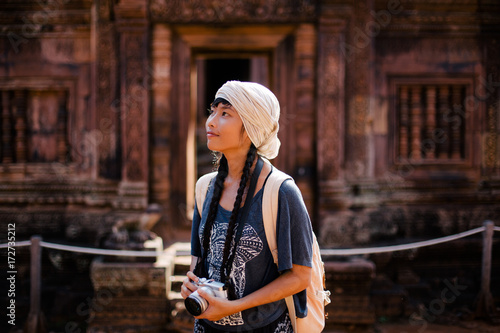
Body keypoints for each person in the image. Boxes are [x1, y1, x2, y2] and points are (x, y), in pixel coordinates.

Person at [181, 81, 313, 332]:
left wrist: (236, 306)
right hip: (208, 326)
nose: (210, 121)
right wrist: (190, 285)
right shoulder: (204, 188)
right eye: (212, 111)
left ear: (252, 126)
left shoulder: (281, 192)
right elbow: (198, 263)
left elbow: (300, 276)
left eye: (225, 114)